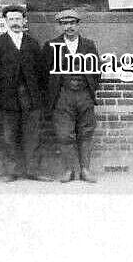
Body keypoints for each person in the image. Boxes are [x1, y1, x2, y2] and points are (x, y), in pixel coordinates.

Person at [0, 3, 50, 181]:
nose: (15, 22)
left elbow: (42, 72)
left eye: (18, 19)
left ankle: (33, 170)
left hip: (30, 97)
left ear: (24, 21)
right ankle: (12, 171)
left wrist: (39, 95)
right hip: (7, 98)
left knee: (33, 136)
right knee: (9, 136)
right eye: (11, 19)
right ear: (5, 21)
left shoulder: (33, 44)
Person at [46, 9, 100, 183]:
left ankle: (85, 170)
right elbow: (44, 72)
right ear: (61, 26)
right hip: (63, 95)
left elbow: (96, 70)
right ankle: (69, 169)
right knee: (64, 134)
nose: (69, 27)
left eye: (72, 23)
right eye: (65, 23)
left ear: (78, 25)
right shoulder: (51, 46)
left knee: (86, 132)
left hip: (84, 95)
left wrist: (89, 89)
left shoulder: (89, 45)